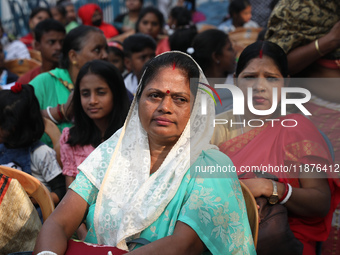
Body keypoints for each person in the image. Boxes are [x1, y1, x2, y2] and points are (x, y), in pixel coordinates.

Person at [33, 51, 256, 254]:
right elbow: (59, 222)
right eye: (154, 95)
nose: (165, 107)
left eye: (180, 99)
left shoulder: (210, 165)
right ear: (138, 99)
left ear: (196, 108)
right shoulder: (113, 153)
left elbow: (183, 244)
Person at [211, 41, 340, 255]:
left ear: (286, 83)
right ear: (235, 81)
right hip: (224, 237)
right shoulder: (213, 129)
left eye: (272, 78)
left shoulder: (297, 129)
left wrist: (269, 188)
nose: (260, 86)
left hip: (284, 240)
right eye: (250, 77)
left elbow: (320, 201)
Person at [59, 60, 130, 239]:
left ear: (116, 93)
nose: (92, 101)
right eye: (85, 94)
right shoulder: (70, 139)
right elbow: (71, 195)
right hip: (85, 231)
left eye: (101, 92)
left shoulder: (131, 135)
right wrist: (87, 240)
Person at [29, 25, 109, 148]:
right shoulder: (45, 82)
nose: (105, 55)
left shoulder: (110, 83)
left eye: (106, 50)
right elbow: (17, 119)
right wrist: (61, 111)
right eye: (97, 50)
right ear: (73, 56)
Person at [0, 83, 65, 206]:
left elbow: (61, 190)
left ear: (16, 128)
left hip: (34, 218)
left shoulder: (41, 153)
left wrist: (32, 201)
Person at [190, 29, 236, 114]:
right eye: (229, 49)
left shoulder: (236, 80)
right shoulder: (193, 89)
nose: (235, 52)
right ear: (216, 57)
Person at [17, 19, 66, 84]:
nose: (59, 47)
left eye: (62, 42)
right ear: (37, 45)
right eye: (51, 42)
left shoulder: (73, 75)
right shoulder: (27, 81)